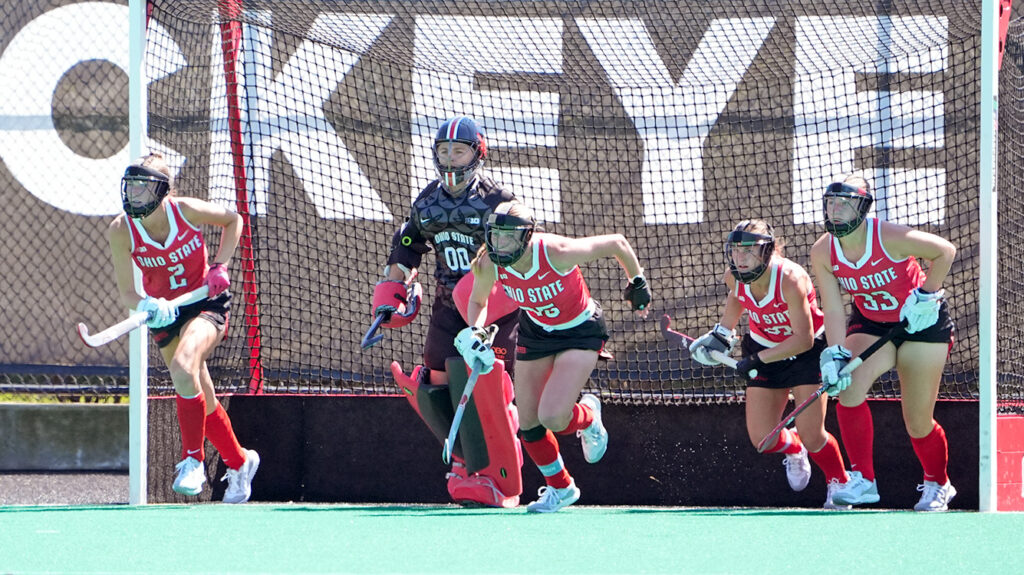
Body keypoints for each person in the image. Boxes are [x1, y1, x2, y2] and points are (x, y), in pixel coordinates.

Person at [460, 201, 652, 512]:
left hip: (580, 331)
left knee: (553, 417)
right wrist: (475, 332)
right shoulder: (489, 262)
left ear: (526, 237)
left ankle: (588, 416)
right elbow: (479, 300)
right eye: (495, 235)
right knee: (529, 422)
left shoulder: (554, 252)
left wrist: (637, 281)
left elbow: (617, 242)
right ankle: (561, 488)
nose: (499, 243)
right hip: (536, 333)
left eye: (508, 236)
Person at [374, 116, 523, 507]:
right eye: (444, 151)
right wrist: (393, 290)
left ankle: (500, 470)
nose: (450, 160)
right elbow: (407, 245)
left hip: (494, 305)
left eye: (458, 151)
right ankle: (464, 462)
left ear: (477, 154)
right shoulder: (426, 203)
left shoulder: (498, 202)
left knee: (491, 383)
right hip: (447, 302)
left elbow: (519, 252)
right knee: (437, 379)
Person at [108, 152, 259, 503]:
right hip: (165, 314)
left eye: (142, 189)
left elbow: (233, 220)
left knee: (182, 365)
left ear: (162, 192)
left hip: (205, 302)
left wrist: (220, 266)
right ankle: (240, 461)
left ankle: (194, 460)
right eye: (130, 188)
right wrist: (147, 304)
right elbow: (128, 293)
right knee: (197, 391)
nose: (133, 196)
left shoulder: (185, 210)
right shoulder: (121, 230)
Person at [809, 174, 957, 511]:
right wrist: (835, 353)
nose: (835, 211)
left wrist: (927, 295)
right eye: (831, 204)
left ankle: (938, 483)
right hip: (873, 323)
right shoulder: (823, 250)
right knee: (848, 388)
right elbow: (832, 306)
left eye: (844, 204)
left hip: (921, 322)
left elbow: (944, 252)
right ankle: (863, 481)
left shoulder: (887, 236)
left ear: (862, 208)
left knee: (917, 421)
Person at [688, 220, 851, 509]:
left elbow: (803, 340)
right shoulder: (734, 276)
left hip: (806, 352)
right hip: (763, 348)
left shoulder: (790, 279)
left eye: (749, 250)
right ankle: (794, 447)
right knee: (763, 440)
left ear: (768, 251)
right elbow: (738, 296)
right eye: (736, 250)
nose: (741, 257)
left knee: (815, 437)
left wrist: (755, 360)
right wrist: (721, 334)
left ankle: (840, 483)